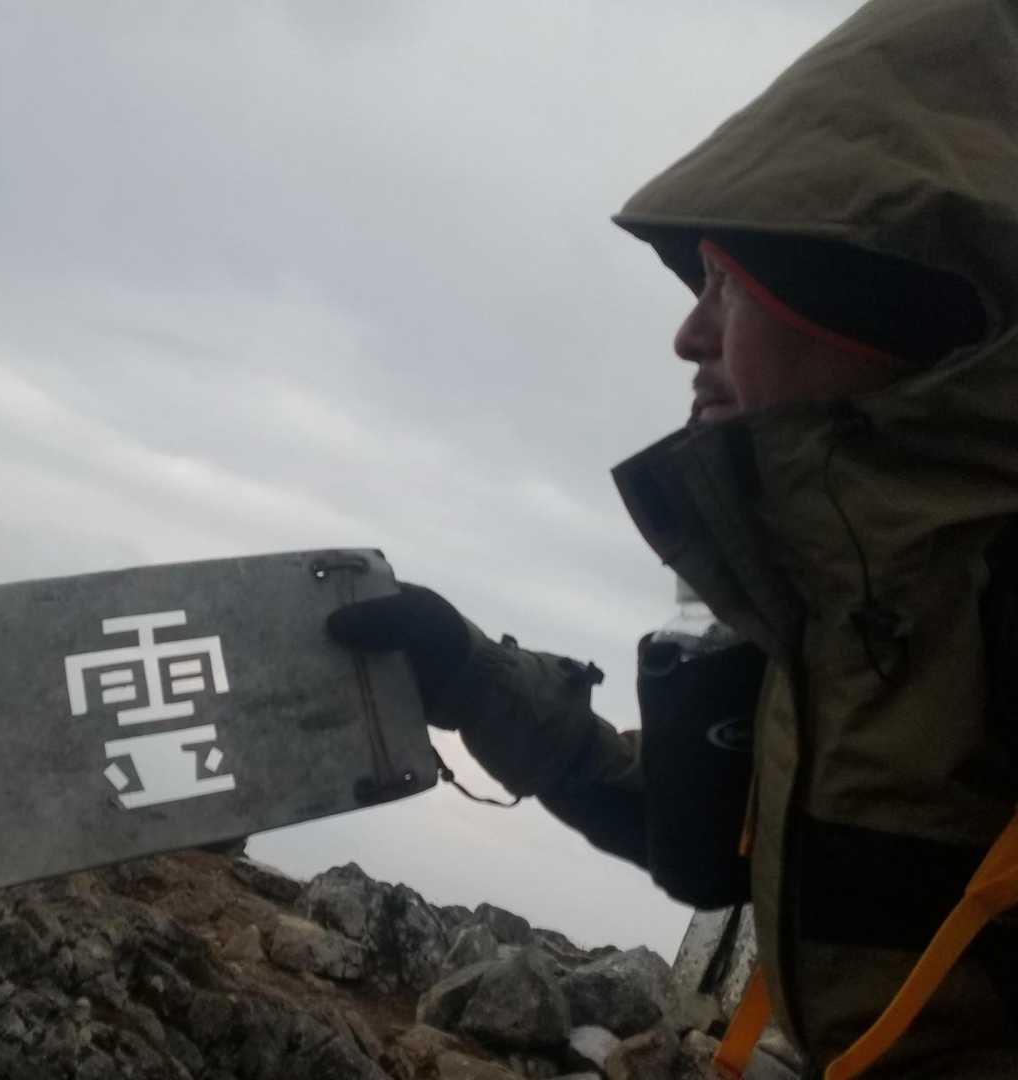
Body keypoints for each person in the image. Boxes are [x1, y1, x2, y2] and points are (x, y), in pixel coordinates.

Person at [329, 1, 1018, 1076]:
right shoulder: (828, 601)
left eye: (728, 285)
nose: (689, 333)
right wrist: (468, 675)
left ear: (869, 306)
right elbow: (688, 815)